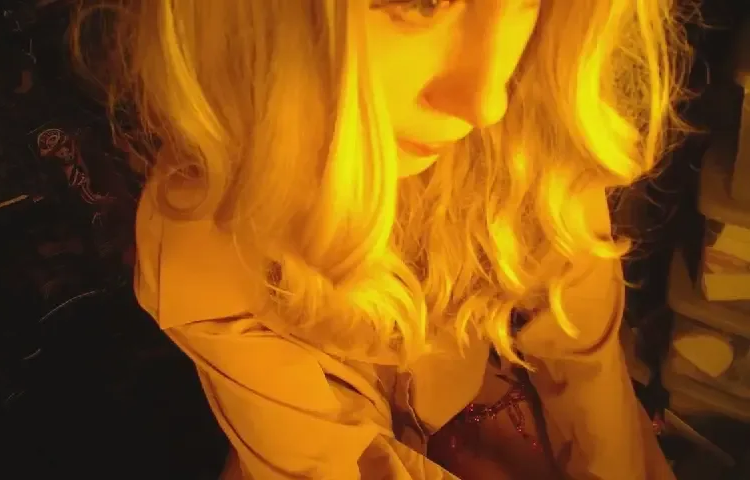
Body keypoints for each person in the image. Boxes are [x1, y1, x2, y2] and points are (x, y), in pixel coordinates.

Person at [73, 0, 692, 478]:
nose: (486, 101)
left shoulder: (530, 123)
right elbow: (331, 465)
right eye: (420, 2)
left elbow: (591, 380)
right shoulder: (204, 237)